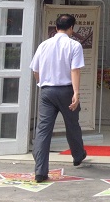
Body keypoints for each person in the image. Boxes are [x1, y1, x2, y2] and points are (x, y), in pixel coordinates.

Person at [30, 14, 87, 182]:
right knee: (72, 125)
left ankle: (40, 171)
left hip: (47, 92)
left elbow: (35, 70)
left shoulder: (43, 45)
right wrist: (76, 93)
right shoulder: (74, 45)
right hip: (66, 91)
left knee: (43, 130)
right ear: (71, 28)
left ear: (56, 28)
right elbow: (75, 70)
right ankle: (78, 155)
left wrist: (41, 83)